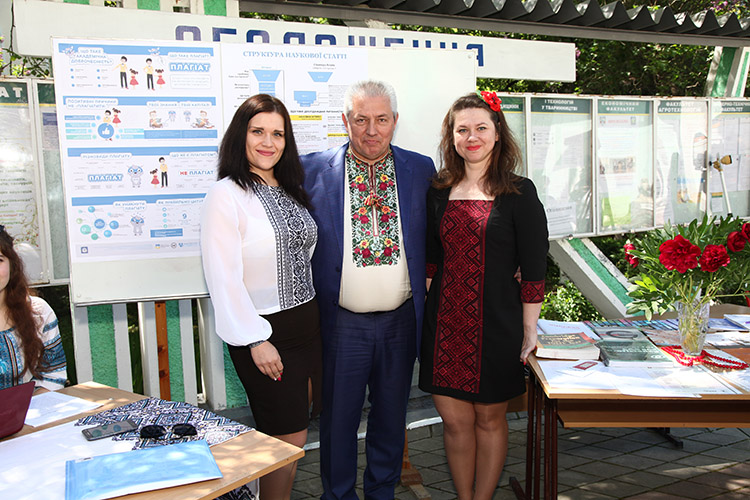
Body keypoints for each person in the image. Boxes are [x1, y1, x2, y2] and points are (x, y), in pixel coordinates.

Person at [301, 80, 435, 500]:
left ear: (395, 121)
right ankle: (338, 495)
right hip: (341, 324)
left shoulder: (421, 169)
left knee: (391, 419)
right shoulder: (310, 170)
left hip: (401, 321)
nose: (371, 131)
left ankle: (381, 493)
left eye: (381, 120)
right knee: (337, 421)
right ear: (345, 121)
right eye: (361, 120)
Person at [418, 92, 548, 500]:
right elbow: (431, 260)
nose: (471, 137)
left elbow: (534, 265)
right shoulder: (438, 190)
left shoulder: (519, 193)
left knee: (490, 421)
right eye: (462, 130)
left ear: (497, 134)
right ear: (452, 137)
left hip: (498, 325)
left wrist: (529, 330)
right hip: (445, 326)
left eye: (480, 128)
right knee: (454, 423)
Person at [200, 94, 320, 500]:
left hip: (308, 328)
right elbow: (223, 277)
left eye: (278, 134)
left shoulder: (290, 189)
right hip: (266, 334)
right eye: (258, 132)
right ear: (241, 136)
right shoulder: (226, 194)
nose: (268, 142)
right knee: (287, 441)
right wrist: (255, 339)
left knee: (291, 440)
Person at [0, 226, 66, 391]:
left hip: (28, 406)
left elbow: (53, 374)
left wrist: (36, 398)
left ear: (12, 265)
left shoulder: (38, 312)